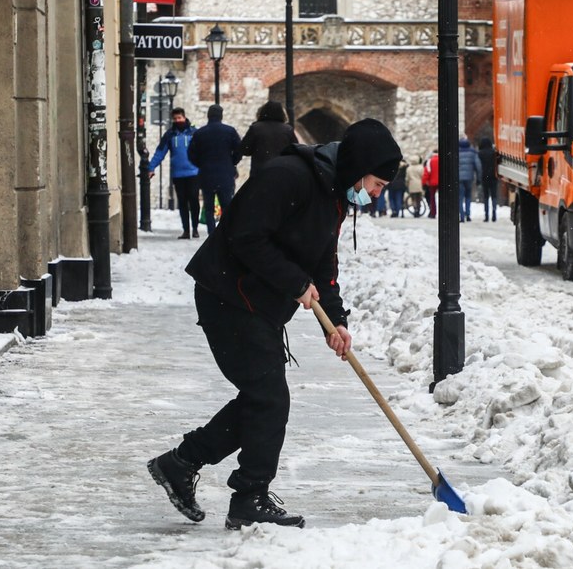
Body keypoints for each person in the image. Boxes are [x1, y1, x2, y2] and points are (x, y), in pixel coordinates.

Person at [147, 118, 403, 530]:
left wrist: (334, 323)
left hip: (257, 305)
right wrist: (293, 282)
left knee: (261, 399)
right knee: (268, 398)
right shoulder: (289, 177)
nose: (375, 194)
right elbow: (244, 236)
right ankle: (249, 495)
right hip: (227, 296)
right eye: (376, 183)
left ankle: (181, 464)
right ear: (359, 167)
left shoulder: (334, 194)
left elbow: (324, 267)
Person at [188, 105, 242, 236]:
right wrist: (232, 162)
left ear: (208, 116)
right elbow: (239, 150)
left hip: (207, 175)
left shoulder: (200, 133)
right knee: (226, 206)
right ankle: (226, 233)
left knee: (209, 207)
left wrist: (201, 164)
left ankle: (212, 234)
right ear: (221, 116)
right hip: (225, 174)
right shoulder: (230, 131)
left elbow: (191, 154)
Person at [147, 108, 201, 239]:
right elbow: (160, 152)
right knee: (182, 203)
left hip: (194, 172)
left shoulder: (194, 133)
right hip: (178, 174)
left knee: (194, 201)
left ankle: (195, 228)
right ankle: (186, 230)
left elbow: (203, 150)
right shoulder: (170, 135)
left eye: (180, 118)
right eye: (175, 119)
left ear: (184, 117)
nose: (178, 121)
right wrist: (151, 167)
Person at [240, 100, 297, 179]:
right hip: (281, 170)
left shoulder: (256, 128)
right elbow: (295, 150)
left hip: (260, 171)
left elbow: (245, 150)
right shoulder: (287, 129)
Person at [457, 137, 483, 222]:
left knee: (460, 197)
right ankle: (468, 214)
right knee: (468, 196)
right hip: (469, 178)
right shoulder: (472, 152)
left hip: (459, 178)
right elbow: (478, 166)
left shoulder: (457, 152)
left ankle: (461, 215)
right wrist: (479, 178)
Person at [477, 137, 499, 222]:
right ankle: (494, 214)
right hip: (493, 176)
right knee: (494, 196)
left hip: (484, 176)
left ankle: (486, 215)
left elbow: (479, 166)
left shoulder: (480, 153)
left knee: (486, 197)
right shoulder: (493, 153)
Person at [422, 150, 440, 219]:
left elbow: (427, 172)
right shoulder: (442, 160)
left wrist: (424, 182)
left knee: (432, 198)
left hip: (432, 182)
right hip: (441, 182)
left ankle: (433, 213)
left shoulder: (430, 161)